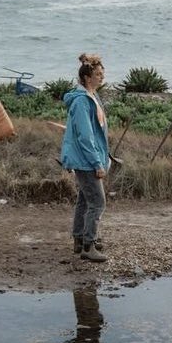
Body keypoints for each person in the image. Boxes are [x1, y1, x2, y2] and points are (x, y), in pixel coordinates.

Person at [61, 52, 110, 262]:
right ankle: (88, 246)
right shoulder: (81, 101)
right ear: (87, 78)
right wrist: (97, 162)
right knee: (98, 202)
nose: (102, 78)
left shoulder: (91, 97)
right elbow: (85, 135)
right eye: (98, 74)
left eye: (102, 74)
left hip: (88, 158)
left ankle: (79, 240)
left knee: (84, 199)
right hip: (85, 160)